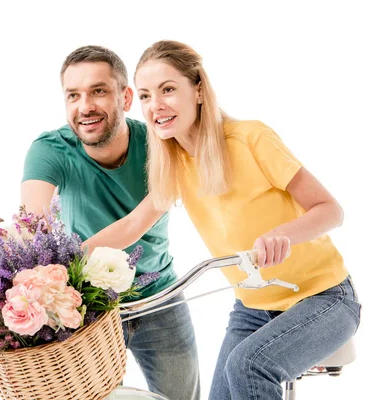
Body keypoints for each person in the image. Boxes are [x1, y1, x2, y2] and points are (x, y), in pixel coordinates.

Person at [84, 40, 362, 400]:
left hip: (325, 299)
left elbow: (330, 209)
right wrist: (59, 261)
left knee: (247, 365)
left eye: (168, 89)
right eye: (148, 96)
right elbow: (132, 226)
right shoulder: (175, 164)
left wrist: (282, 235)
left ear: (198, 90)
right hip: (254, 305)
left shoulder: (249, 139)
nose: (157, 105)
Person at [20, 45, 200, 400]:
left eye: (98, 91)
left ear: (127, 97)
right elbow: (31, 232)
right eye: (74, 95)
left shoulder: (163, 145)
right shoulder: (51, 150)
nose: (84, 106)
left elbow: (136, 224)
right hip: (88, 307)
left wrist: (62, 266)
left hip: (160, 298)